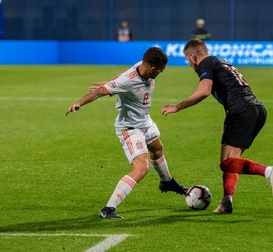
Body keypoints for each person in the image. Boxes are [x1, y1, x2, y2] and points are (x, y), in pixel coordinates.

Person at [161, 39, 273, 214]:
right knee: (230, 162)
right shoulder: (221, 62)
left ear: (194, 57)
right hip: (256, 110)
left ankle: (269, 171)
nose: (189, 65)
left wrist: (178, 106)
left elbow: (204, 90)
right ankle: (227, 201)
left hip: (240, 111)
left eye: (188, 60)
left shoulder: (206, 63)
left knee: (227, 163)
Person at [66, 47, 186, 219]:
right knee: (141, 168)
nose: (161, 73)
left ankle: (166, 182)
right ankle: (108, 209)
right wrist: (78, 104)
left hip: (145, 121)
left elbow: (124, 72)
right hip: (130, 128)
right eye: (160, 71)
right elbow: (100, 92)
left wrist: (109, 81)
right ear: (152, 69)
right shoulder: (128, 82)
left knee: (157, 148)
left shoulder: (140, 66)